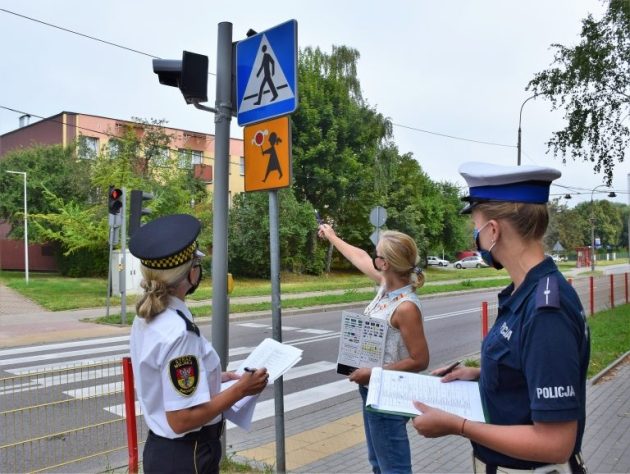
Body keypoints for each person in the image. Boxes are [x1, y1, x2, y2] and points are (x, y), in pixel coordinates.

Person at [412, 162, 589, 474]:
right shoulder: (528, 291)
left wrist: (459, 425)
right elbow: (529, 369)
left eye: (476, 229)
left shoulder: (546, 312)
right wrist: (481, 374)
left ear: (493, 231)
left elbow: (556, 443)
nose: (475, 238)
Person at [129, 214, 269, 474]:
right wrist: (241, 390)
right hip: (187, 457)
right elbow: (181, 419)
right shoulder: (179, 333)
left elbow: (165, 381)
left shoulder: (147, 316)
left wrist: (215, 378)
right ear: (189, 272)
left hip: (164, 453)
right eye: (197, 262)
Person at [318, 225, 430, 474]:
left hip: (388, 393)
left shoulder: (406, 306)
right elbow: (358, 256)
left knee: (393, 468)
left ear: (385, 263)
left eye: (377, 254)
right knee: (378, 463)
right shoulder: (386, 287)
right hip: (372, 389)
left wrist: (373, 373)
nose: (373, 257)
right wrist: (333, 237)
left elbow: (420, 360)